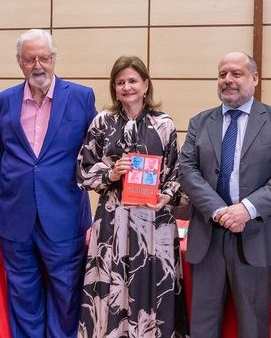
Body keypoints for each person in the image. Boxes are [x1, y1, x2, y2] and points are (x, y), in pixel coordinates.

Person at [179, 51, 271, 337]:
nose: (228, 80)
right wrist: (220, 211)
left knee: (253, 325)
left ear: (254, 78)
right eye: (222, 74)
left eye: (236, 73)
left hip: (257, 235)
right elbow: (186, 170)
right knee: (203, 325)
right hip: (209, 237)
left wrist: (246, 208)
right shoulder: (200, 122)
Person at [0, 29, 97, 337]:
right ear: (19, 63)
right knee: (23, 297)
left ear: (53, 59)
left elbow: (92, 153)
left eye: (44, 57)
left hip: (64, 215)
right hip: (16, 217)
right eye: (30, 59)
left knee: (66, 297)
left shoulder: (80, 96)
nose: (38, 65)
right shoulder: (1, 102)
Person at [76, 56, 189, 338]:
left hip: (154, 220)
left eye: (133, 81)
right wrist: (111, 174)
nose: (127, 87)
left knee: (152, 283)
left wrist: (166, 196)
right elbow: (83, 170)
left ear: (146, 85)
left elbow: (177, 174)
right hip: (113, 220)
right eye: (120, 82)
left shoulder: (164, 124)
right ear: (114, 88)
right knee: (112, 284)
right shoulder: (102, 122)